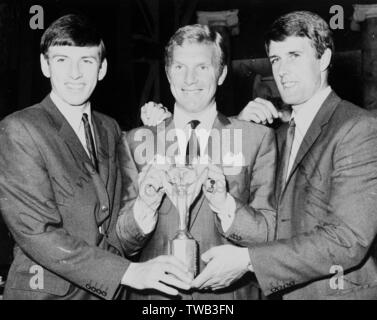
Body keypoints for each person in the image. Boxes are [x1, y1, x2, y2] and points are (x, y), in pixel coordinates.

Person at [0, 14, 192, 300]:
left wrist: (164, 129)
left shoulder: (109, 128)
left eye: (87, 61)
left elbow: (115, 226)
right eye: (62, 60)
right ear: (45, 65)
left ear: (101, 68)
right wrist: (129, 273)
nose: (75, 74)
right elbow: (37, 233)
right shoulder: (20, 129)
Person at [187, 11, 377, 300]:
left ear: (324, 59)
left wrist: (248, 260)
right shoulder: (276, 135)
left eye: (294, 56)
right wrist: (242, 130)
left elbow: (347, 240)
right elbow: (275, 224)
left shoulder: (357, 128)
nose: (282, 70)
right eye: (276, 59)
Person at [117, 24, 277, 300]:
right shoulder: (134, 141)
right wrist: (144, 207)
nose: (190, 79)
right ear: (168, 73)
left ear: (222, 73)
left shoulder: (256, 139)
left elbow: (269, 234)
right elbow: (121, 241)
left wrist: (226, 205)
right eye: (179, 67)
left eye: (202, 67)